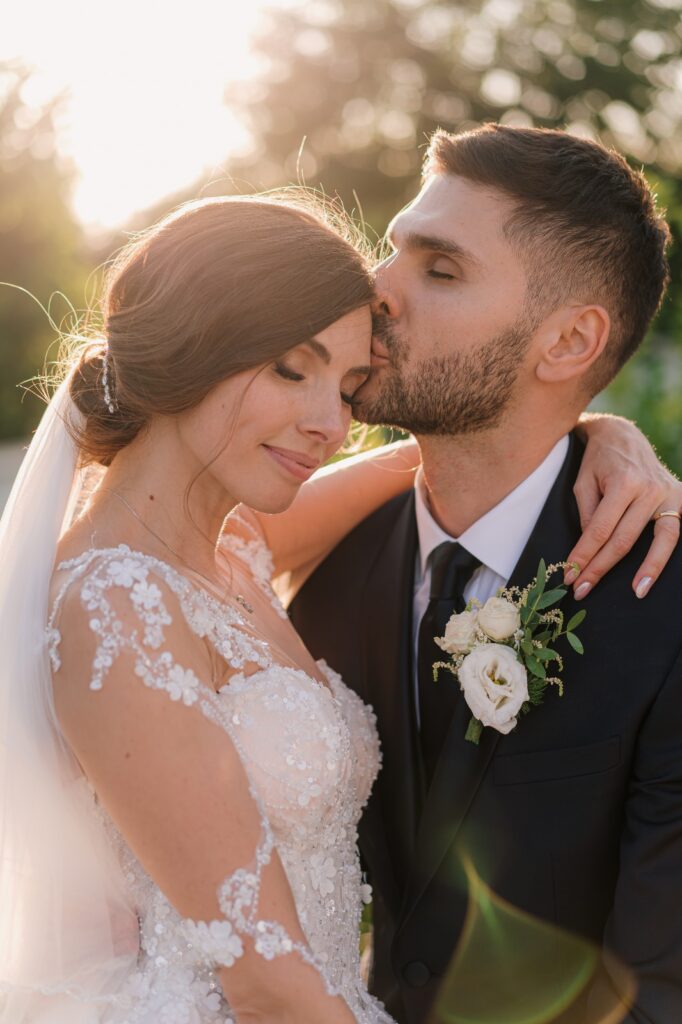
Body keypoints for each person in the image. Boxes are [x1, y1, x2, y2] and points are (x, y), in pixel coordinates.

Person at [0, 188, 676, 1024]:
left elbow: (452, 461)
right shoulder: (114, 603)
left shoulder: (232, 542)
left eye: (350, 386)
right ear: (189, 348)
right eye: (293, 368)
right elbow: (267, 982)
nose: (329, 423)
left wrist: (595, 431)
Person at [287, 125, 682, 1024]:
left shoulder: (669, 607)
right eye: (393, 250)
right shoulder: (329, 570)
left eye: (441, 269)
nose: (375, 289)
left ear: (570, 340)